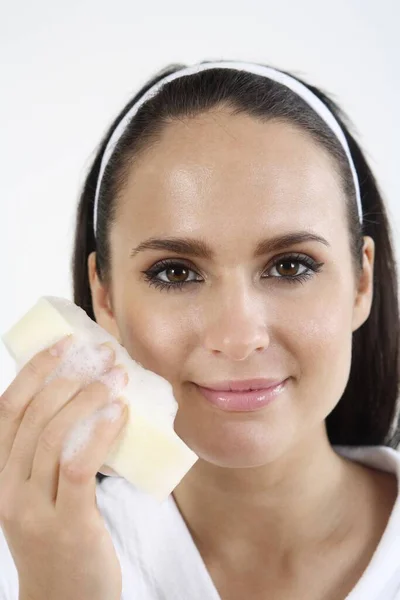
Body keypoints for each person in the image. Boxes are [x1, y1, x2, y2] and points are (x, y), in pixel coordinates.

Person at [0, 59, 399, 600]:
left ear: (361, 283)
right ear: (105, 297)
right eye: (176, 272)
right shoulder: (33, 563)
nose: (238, 337)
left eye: (290, 266)